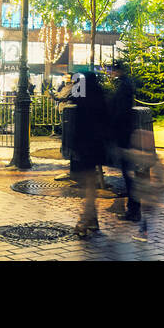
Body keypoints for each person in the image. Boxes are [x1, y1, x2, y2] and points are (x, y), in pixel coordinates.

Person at [68, 70, 108, 238]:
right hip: (95, 146)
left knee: (88, 185)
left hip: (87, 146)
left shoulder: (84, 100)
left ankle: (85, 220)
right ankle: (92, 219)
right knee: (90, 183)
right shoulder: (98, 96)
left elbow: (80, 124)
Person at [107, 62, 141, 223]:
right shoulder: (126, 84)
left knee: (128, 172)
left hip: (123, 132)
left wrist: (112, 126)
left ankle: (134, 208)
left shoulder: (123, 86)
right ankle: (133, 205)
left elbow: (120, 110)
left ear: (117, 70)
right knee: (127, 171)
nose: (111, 73)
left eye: (113, 70)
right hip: (125, 131)